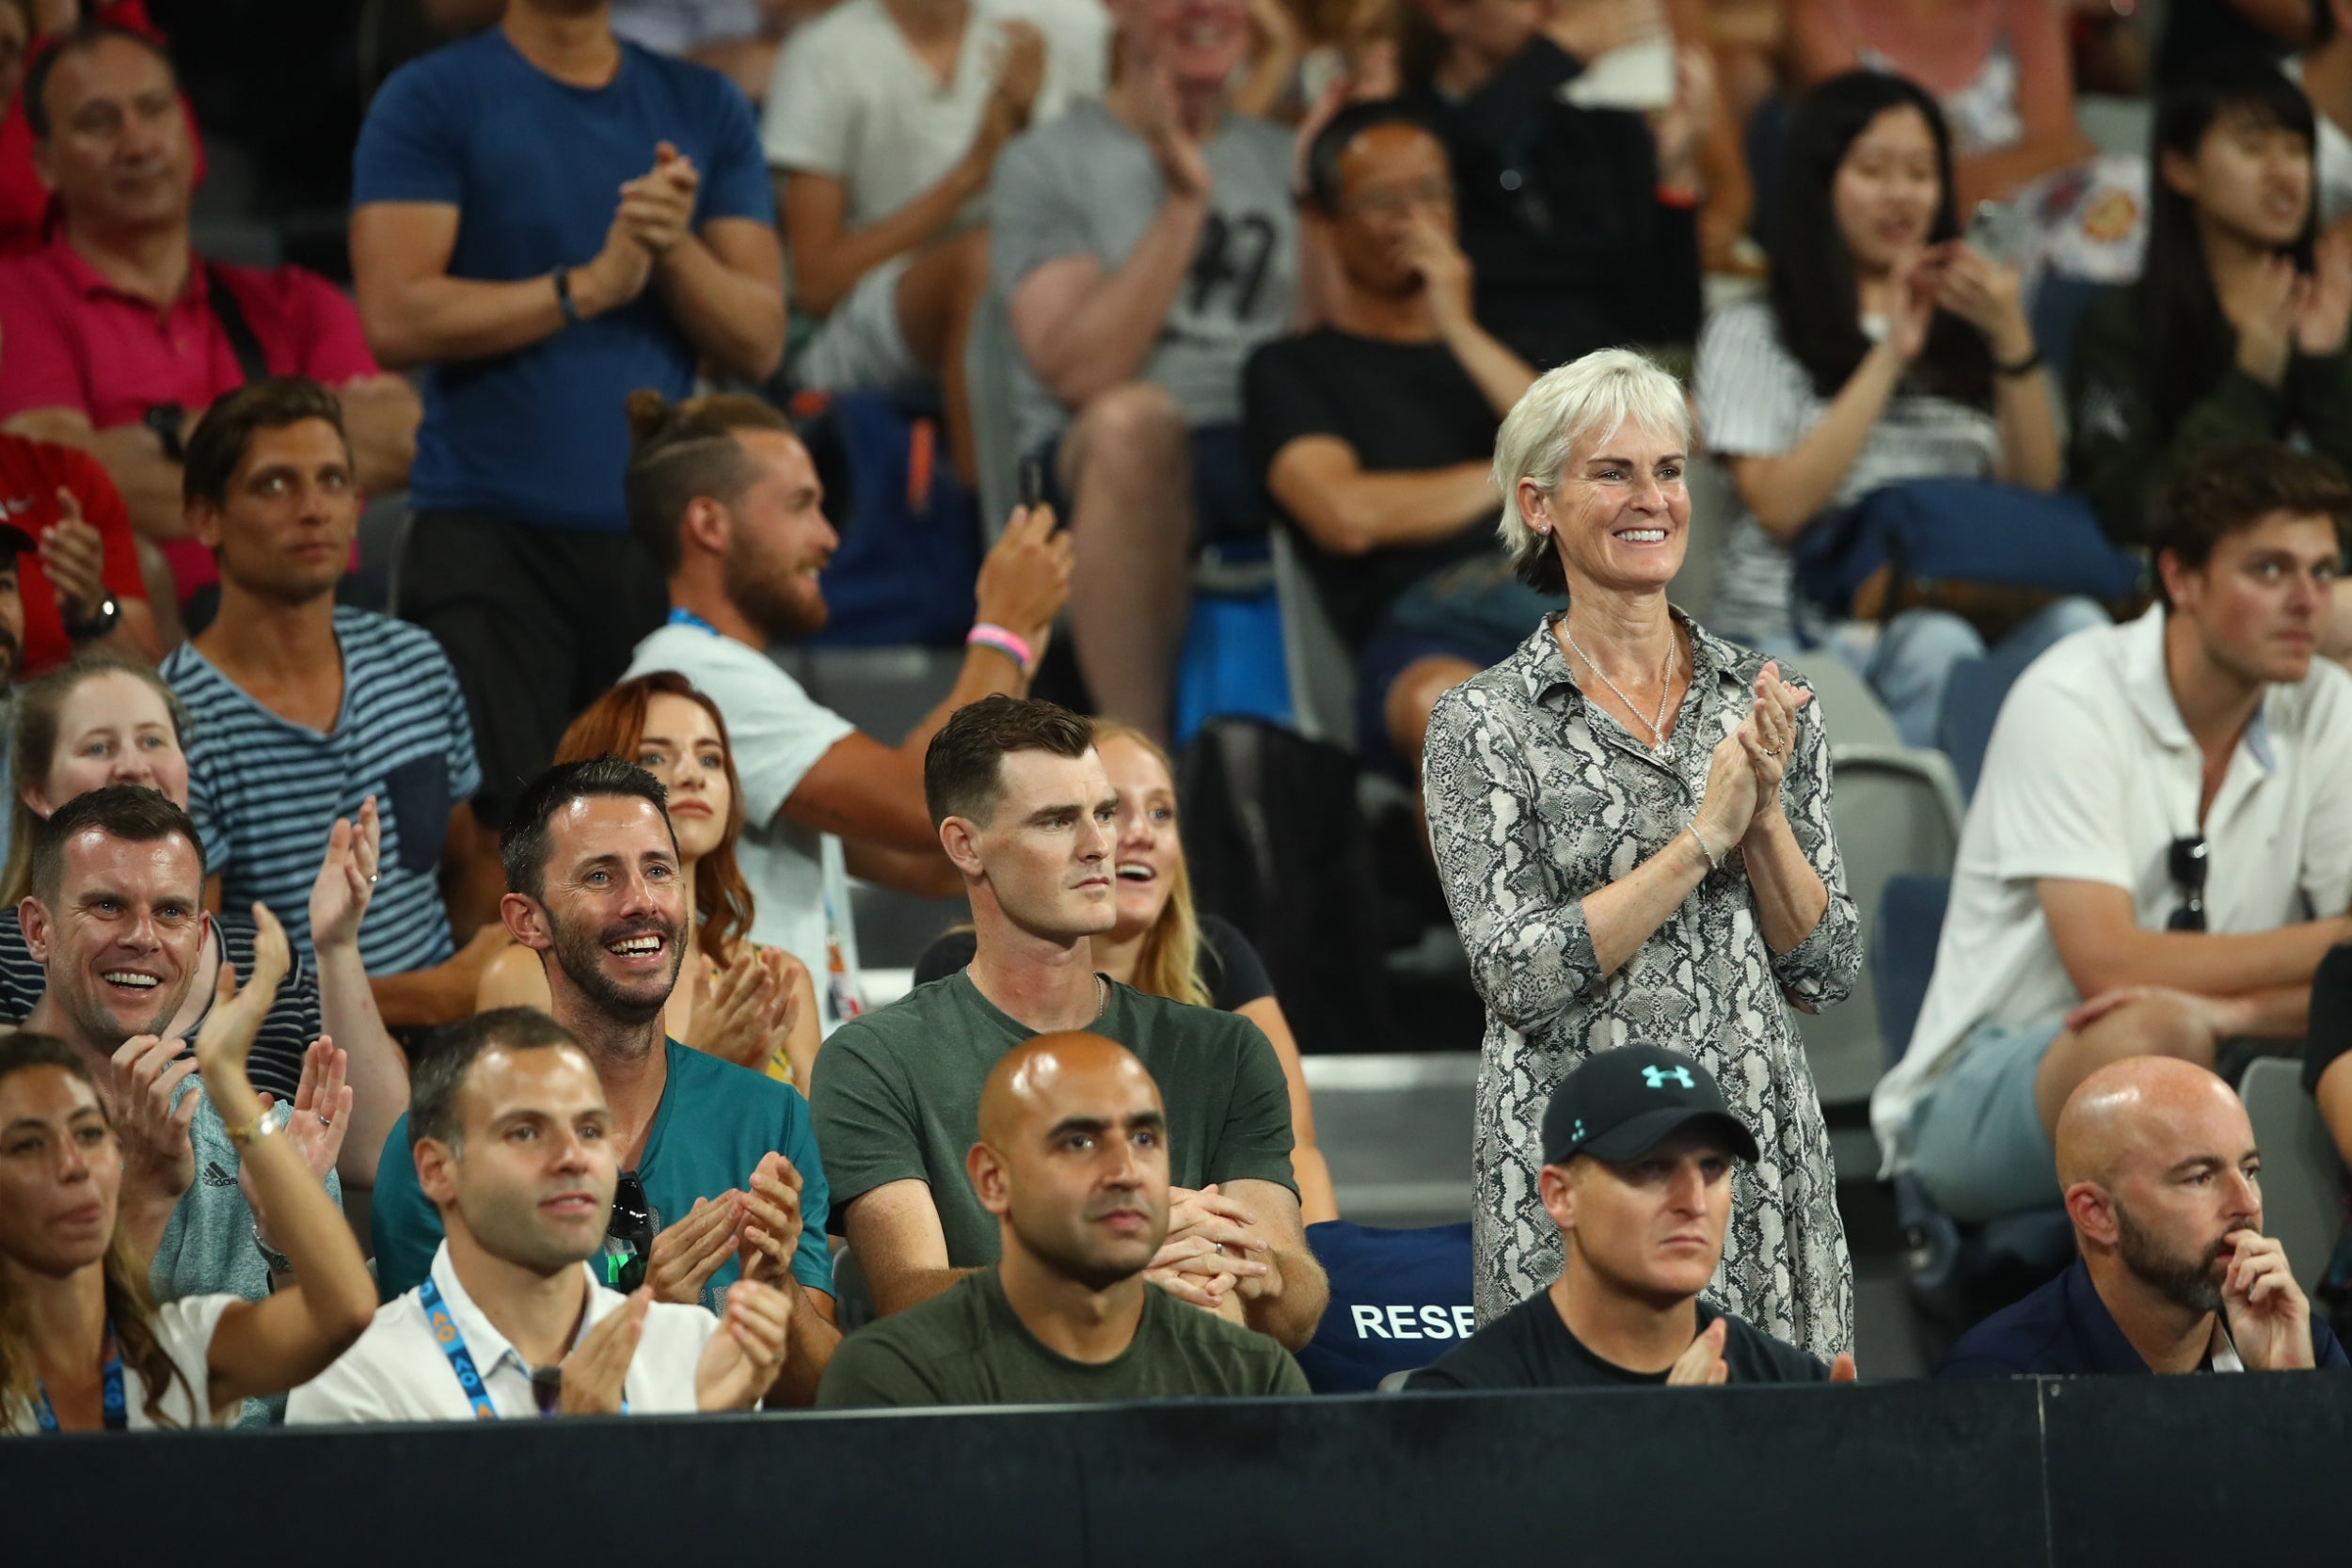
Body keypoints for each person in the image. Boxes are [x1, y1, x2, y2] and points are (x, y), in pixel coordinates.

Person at [1421, 348, 1858, 1362]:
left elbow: (1825, 968)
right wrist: (1700, 837)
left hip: (1747, 1138)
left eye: (1666, 470)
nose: (1650, 497)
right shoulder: (1482, 723)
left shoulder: (1766, 697)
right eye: (1610, 472)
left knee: (1788, 1470)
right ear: (1539, 502)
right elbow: (1519, 972)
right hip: (1584, 1160)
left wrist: (1759, 827)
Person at [349, 0, 784, 859]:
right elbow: (396, 312)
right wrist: (585, 286)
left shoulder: (704, 104)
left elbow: (760, 336)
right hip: (487, 538)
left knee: (663, 844)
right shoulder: (432, 97)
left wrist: (671, 247)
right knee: (499, 845)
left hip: (655, 552)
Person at [1874, 445, 2352, 1224]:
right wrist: (2336, 938)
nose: (2308, 601)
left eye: (2324, 571)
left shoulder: (2328, 704)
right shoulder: (2072, 695)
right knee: (2160, 1036)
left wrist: (2238, 1013)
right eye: (2269, 571)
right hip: (1995, 1080)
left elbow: (2346, 989)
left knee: (2196, 1045)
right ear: (2181, 579)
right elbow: (2109, 964)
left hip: (2229, 1053)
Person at [814, 696, 1329, 1349]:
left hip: (1199, 1418)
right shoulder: (875, 1059)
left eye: (1103, 813)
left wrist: (1246, 1260)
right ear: (965, 845)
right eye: (1058, 821)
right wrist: (1111, 1266)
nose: (1101, 846)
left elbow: (1299, 1308)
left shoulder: (1225, 1050)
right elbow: (909, 1299)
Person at [367, 758, 841, 1404]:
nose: (642, 901)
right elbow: (446, 1405)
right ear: (527, 920)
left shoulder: (772, 1118)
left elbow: (817, 1400)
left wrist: (779, 1284)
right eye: (600, 875)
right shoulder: (448, 1136)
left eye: (658, 870)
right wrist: (652, 1310)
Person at [619, 389, 1070, 1032]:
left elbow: (935, 860)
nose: (828, 538)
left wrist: (1017, 653)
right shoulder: (693, 676)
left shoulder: (728, 676)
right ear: (710, 525)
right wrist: (1003, 630)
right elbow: (924, 805)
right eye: (802, 505)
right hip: (758, 1082)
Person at [1694, 69, 2102, 750]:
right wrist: (1890, 354)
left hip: (1964, 606)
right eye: (1873, 170)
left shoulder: (1974, 330)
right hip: (1795, 631)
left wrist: (2009, 338)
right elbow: (1781, 505)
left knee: (2080, 630)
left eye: (1919, 172)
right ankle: (1925, 850)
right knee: (1933, 645)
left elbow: (2034, 494)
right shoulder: (1755, 329)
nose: (1900, 195)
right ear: (1821, 181)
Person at [0, 21, 419, 610]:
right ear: (45, 163)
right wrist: (303, 456)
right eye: (99, 122)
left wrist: (167, 440)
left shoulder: (294, 300)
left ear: (190, 132)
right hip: (142, 652)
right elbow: (52, 481)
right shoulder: (18, 300)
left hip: (327, 625)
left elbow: (407, 441)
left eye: (154, 109)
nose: (139, 143)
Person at [991, 0, 1300, 741]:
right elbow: (1080, 372)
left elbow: (1323, 353)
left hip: (1259, 435)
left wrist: (1326, 204)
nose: (1206, 9)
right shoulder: (1046, 161)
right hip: (1093, 456)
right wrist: (1184, 206)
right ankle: (1141, 774)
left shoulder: (1284, 155)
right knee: (1138, 421)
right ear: (1116, 10)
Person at [160, 381, 494, 1029]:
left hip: (450, 1049)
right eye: (275, 485)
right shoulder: (173, 723)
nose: (313, 508)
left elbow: (464, 861)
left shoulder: (415, 660)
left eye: (333, 480)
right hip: (289, 1082)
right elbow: (195, 983)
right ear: (205, 517)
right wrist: (428, 995)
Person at [4, 655, 409, 1187]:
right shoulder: (9, 951)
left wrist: (336, 948)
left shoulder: (261, 957)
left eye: (153, 741)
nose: (133, 765)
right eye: (99, 747)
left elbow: (378, 1156)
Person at [914, 720, 1336, 1221]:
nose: (1135, 835)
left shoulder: (1216, 955)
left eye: (1161, 813)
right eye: (1111, 811)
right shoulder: (957, 970)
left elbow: (1294, 1154)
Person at [288, 1007, 794, 1420]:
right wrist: (583, 1451)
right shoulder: (356, 1381)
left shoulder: (693, 1349)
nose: (574, 1156)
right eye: (526, 1132)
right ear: (437, 1170)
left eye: (592, 1130)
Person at [1246, 101, 1542, 779]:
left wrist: (1460, 329)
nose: (1414, 218)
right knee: (1454, 715)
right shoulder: (1293, 369)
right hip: (1432, 622)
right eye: (1382, 199)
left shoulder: (1506, 352)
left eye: (1432, 193)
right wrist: (1513, 474)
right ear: (1322, 221)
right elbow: (1345, 514)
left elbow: (1584, 458)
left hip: (1570, 598)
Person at [0, 923, 377, 1433]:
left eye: (90, 1134)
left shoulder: (180, 1346)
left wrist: (228, 1083)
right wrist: (145, 1197)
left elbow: (346, 1311)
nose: (73, 1165)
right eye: (29, 1145)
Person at [818, 1031, 1311, 1406]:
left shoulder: (1251, 1372)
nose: (1124, 1172)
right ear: (993, 1180)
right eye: (1079, 1142)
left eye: (1144, 1139)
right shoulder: (888, 1378)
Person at [18, 788, 349, 1342]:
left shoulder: (280, 1147)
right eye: (107, 906)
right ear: (37, 931)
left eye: (169, 912)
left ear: (198, 943)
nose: (142, 937)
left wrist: (288, 1235)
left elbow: (333, 1397)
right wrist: (143, 1192)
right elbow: (35, 1386)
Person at [762, 0, 1105, 483]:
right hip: (860, 316)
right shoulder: (824, 54)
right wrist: (969, 174)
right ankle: (990, 525)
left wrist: (1021, 132)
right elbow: (817, 284)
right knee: (981, 263)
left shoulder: (1029, 37)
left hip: (1017, 281)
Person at [1409, 1045, 1854, 1389]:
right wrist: (1663, 1444)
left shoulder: (1790, 1387)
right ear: (1561, 1196)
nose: (1693, 1202)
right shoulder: (1467, 1400)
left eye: (1712, 1168)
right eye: (1651, 1167)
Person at [476, 671, 821, 1087]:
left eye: (710, 758)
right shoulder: (525, 973)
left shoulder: (774, 975)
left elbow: (811, 1147)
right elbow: (545, 1144)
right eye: (654, 757)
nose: (693, 775)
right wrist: (707, 1068)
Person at [2069, 55, 2352, 554]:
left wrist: (2324, 366)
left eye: (2298, 150)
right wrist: (2252, 380)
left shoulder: (2332, 310)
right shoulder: (2122, 324)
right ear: (2180, 168)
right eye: (2253, 148)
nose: (2284, 172)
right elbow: (2137, 508)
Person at [1940, 1055, 2347, 1374]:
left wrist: (2291, 1393)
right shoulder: (2000, 1378)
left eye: (2249, 1171)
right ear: (2096, 1213)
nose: (2248, 1204)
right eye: (2199, 1178)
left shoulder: (2298, 1342)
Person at [1394, 0, 1708, 374]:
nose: (1554, 7)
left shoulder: (1608, 133)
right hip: (1465, 378)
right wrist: (1553, 56)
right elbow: (1454, 153)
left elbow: (1670, 323)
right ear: (1444, 11)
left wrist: (1676, 176)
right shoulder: (1400, 133)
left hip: (1601, 389)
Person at [1788, 0, 2095, 211]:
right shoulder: (1828, 12)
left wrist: (1951, 182)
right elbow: (1873, 176)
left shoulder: (2025, 10)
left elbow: (2065, 152)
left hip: (2015, 261)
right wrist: (1996, 177)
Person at [0, 414, 158, 672]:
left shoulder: (70, 476)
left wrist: (92, 609)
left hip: (49, 702)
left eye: (4, 584)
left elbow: (142, 677)